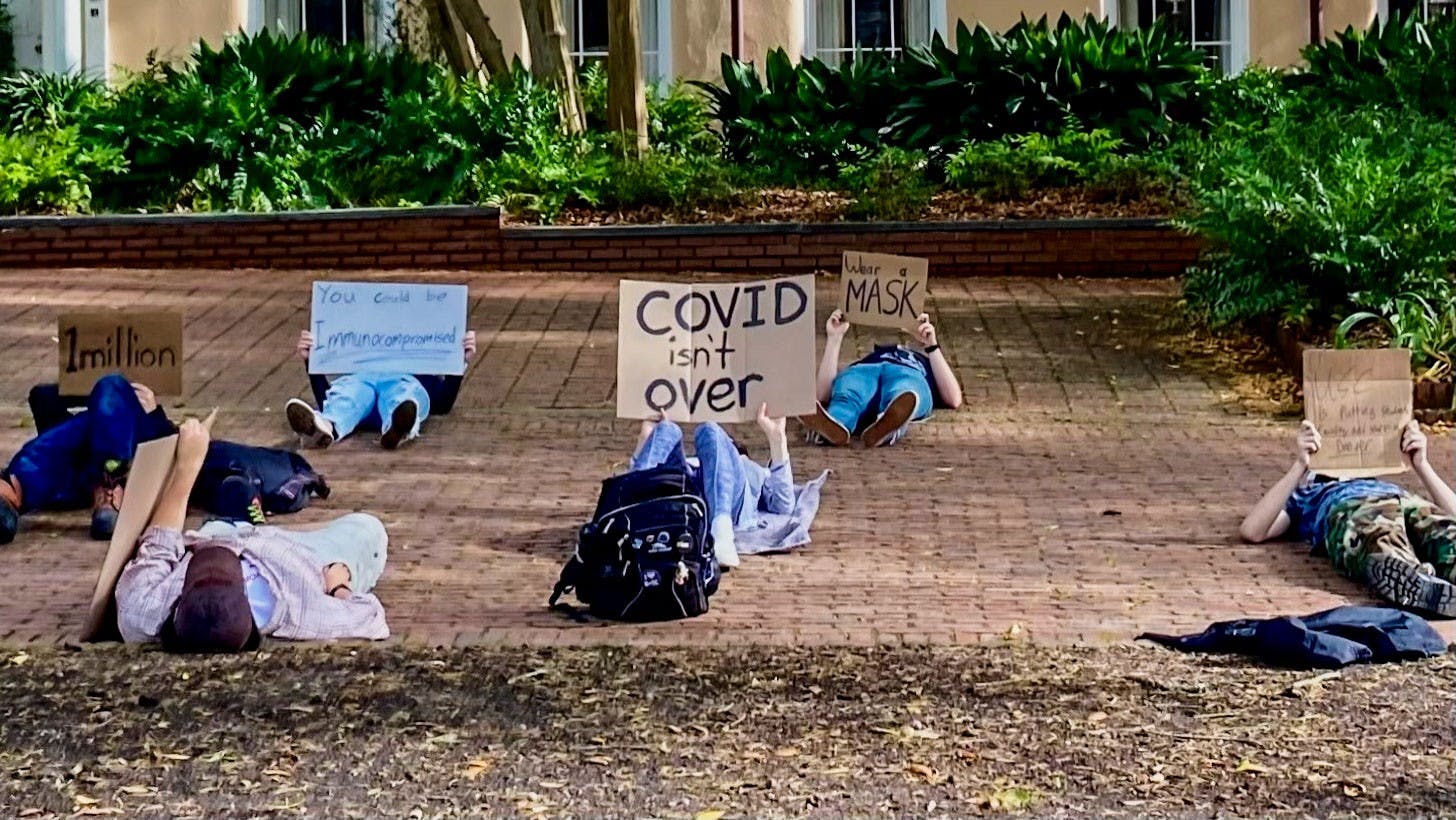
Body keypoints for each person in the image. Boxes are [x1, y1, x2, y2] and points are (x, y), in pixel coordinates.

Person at [115, 418, 390, 652]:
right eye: (223, 573)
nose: (215, 564)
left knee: (221, 519)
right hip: (308, 561)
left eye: (201, 574)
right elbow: (373, 618)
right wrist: (338, 586)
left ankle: (241, 497)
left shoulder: (142, 612)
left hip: (214, 536)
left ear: (179, 601)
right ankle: (251, 494)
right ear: (246, 597)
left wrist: (187, 466)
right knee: (368, 529)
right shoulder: (307, 613)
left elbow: (161, 541)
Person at [27, 382, 330, 528]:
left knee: (55, 396)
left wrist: (102, 390)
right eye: (112, 500)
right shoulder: (137, 467)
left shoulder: (71, 481)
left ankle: (110, 391)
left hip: (104, 429)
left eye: (105, 499)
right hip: (139, 432)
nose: (108, 495)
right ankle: (248, 501)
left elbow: (43, 399)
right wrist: (150, 410)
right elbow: (170, 444)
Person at [1240, 420, 1455, 618]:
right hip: (1351, 509)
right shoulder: (1307, 495)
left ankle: (1430, 579)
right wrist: (1300, 465)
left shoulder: (1383, 482)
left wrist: (1422, 465)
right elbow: (1252, 530)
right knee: (1378, 533)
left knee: (1443, 528)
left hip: (1401, 501)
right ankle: (1416, 582)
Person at [632, 403, 830, 569]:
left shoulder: (749, 469)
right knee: (668, 430)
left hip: (731, 505)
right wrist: (647, 439)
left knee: (709, 429)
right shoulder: (696, 461)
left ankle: (720, 532)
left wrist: (777, 440)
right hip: (686, 488)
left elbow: (783, 506)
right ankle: (630, 516)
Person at [0, 374, 174, 544]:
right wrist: (153, 414)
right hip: (124, 456)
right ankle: (111, 479)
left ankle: (12, 490)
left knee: (48, 396)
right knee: (110, 386)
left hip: (111, 461)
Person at [286, 328, 477, 450]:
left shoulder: (423, 370)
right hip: (363, 385)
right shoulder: (355, 362)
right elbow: (330, 397)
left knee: (403, 394)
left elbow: (442, 404)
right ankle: (322, 427)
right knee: (349, 395)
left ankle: (398, 427)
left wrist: (459, 362)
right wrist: (312, 360)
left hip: (397, 389)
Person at [800, 310, 963, 448]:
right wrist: (834, 338)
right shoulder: (869, 360)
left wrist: (931, 345)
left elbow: (953, 399)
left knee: (904, 391)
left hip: (908, 373)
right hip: (865, 370)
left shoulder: (927, 363)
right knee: (848, 392)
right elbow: (822, 395)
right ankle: (834, 423)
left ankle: (889, 423)